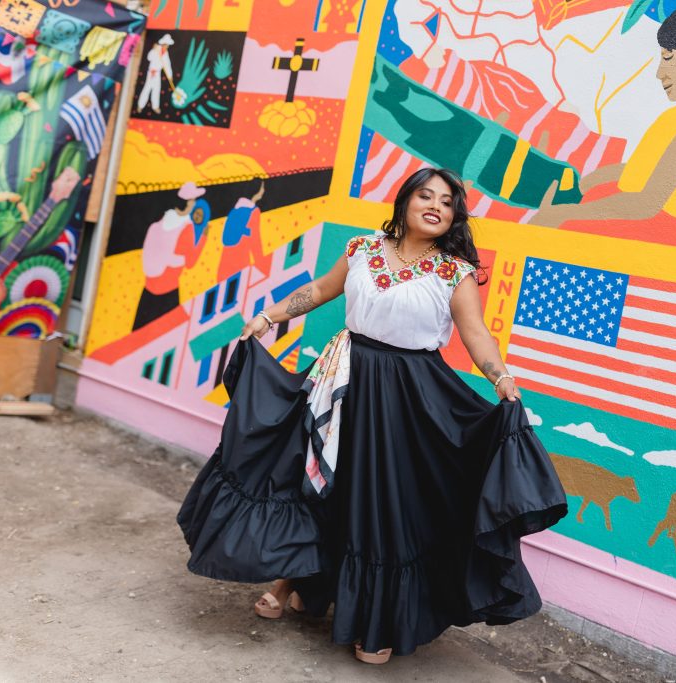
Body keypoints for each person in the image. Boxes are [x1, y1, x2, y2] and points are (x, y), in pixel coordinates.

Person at [177, 168, 568, 664]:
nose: (435, 206)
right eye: (425, 195)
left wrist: (499, 377)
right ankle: (291, 580)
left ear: (454, 217)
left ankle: (378, 618)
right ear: (405, 201)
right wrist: (269, 317)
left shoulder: (454, 272)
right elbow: (319, 290)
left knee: (385, 502)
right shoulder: (362, 248)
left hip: (409, 395)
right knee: (318, 480)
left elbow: (476, 337)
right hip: (342, 378)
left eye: (446, 202)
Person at [532, 0, 676, 251]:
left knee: (545, 229)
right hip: (656, 224)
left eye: (668, 58)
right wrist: (588, 182)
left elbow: (647, 204)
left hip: (671, 235)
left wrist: (565, 214)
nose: (660, 73)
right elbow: (649, 171)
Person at [133, 181, 206, 330]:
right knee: (169, 336)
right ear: (188, 203)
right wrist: (203, 238)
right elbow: (190, 262)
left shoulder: (158, 224)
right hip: (168, 291)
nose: (194, 204)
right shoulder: (187, 228)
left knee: (140, 332)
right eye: (193, 201)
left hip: (149, 289)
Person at [137, 33, 174, 114]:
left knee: (156, 90)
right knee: (147, 88)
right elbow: (149, 57)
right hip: (151, 73)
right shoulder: (156, 49)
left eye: (167, 45)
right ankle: (140, 105)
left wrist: (170, 75)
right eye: (166, 44)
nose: (167, 46)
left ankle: (155, 106)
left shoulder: (165, 54)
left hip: (157, 74)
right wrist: (154, 51)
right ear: (163, 43)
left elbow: (167, 65)